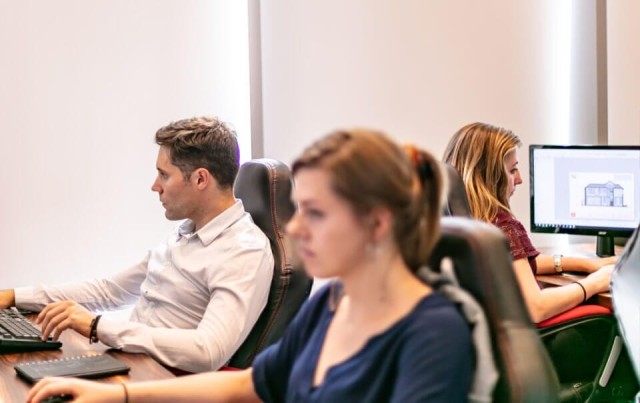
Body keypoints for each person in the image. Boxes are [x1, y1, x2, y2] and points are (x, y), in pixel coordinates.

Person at [27, 129, 474, 402]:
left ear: (375, 224)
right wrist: (118, 395)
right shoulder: (332, 307)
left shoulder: (432, 332)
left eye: (316, 214)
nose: (294, 231)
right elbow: (247, 386)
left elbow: (214, 360)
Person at [0, 116, 274, 373]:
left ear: (201, 179)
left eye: (164, 175)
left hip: (164, 383)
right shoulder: (187, 233)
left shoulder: (243, 250)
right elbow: (110, 291)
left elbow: (208, 351)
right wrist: (14, 296)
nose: (155, 186)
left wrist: (97, 326)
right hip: (131, 363)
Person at [443, 122, 615, 323]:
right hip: (538, 339)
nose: (520, 179)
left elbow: (519, 262)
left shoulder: (460, 219)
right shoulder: (501, 225)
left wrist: (587, 265)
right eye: (512, 170)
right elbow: (536, 308)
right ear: (490, 176)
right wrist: (595, 283)